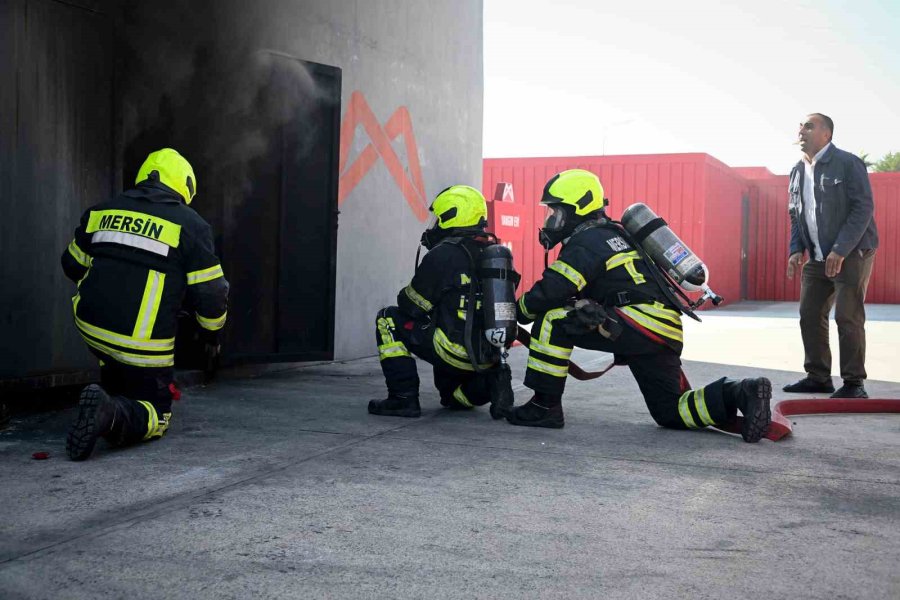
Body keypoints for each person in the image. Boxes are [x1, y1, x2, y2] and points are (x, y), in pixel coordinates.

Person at [508, 169, 772, 442]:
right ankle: (740, 392)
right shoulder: (618, 235)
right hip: (663, 327)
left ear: (578, 209)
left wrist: (516, 313)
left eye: (556, 212)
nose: (552, 220)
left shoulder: (587, 241)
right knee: (670, 411)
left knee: (551, 319)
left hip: (638, 321)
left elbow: (553, 289)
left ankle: (544, 406)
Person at [61, 148, 229, 460]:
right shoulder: (191, 226)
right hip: (140, 343)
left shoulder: (101, 211)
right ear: (184, 186)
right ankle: (109, 413)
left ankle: (112, 392)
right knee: (157, 414)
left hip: (91, 328)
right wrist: (210, 336)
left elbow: (71, 265)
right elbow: (212, 294)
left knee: (118, 364)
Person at [369, 185, 513, 418]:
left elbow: (412, 306)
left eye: (438, 218)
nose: (434, 226)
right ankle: (489, 382)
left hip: (454, 351)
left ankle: (402, 399)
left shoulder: (444, 253)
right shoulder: (491, 253)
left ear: (451, 216)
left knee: (387, 318)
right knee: (451, 398)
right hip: (488, 355)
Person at [784, 113, 878, 399]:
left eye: (809, 126)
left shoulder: (848, 163)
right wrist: (795, 249)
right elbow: (796, 214)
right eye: (800, 126)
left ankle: (853, 383)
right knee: (809, 314)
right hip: (816, 256)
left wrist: (841, 249)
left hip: (851, 253)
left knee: (848, 317)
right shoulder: (797, 171)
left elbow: (863, 208)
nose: (801, 130)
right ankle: (818, 376)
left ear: (827, 133)